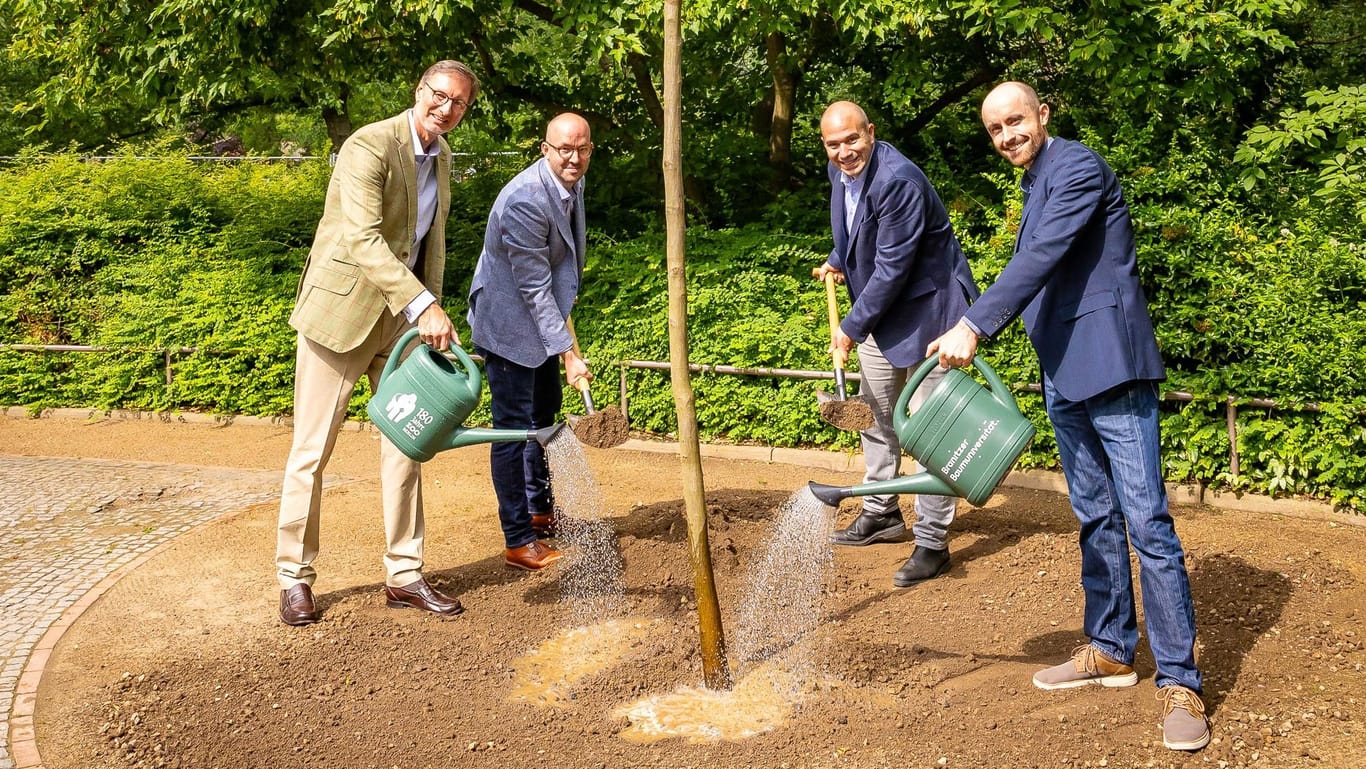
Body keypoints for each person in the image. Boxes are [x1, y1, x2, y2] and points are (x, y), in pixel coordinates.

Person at [926, 81, 1209, 751]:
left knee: (1146, 520)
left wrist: (974, 324)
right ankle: (1112, 646)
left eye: (1015, 121)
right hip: (1065, 370)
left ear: (1042, 115)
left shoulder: (1077, 166)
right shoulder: (1035, 183)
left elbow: (1041, 257)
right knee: (1094, 513)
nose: (1007, 136)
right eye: (995, 129)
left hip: (1110, 363)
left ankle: (1181, 681)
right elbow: (1037, 271)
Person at [275, 61, 480, 626]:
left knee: (408, 446)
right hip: (341, 313)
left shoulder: (442, 156)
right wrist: (425, 305)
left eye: (458, 103)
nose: (446, 108)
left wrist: (429, 313)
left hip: (403, 322)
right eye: (440, 95)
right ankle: (295, 577)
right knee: (311, 453)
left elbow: (427, 245)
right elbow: (363, 238)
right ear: (420, 91)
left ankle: (404, 573)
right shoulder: (368, 146)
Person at [815, 101, 980, 587]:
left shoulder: (898, 181)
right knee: (876, 416)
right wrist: (837, 258)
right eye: (833, 144)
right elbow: (853, 227)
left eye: (852, 140)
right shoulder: (840, 173)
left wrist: (849, 326)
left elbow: (893, 268)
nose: (844, 152)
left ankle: (932, 543)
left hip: (933, 313)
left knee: (932, 432)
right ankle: (881, 512)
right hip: (883, 314)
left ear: (871, 132)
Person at [468, 113, 594, 571]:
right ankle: (518, 539)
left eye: (581, 149)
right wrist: (569, 354)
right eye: (564, 149)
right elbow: (533, 287)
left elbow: (561, 265)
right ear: (545, 149)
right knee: (512, 428)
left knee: (544, 415)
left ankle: (540, 510)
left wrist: (562, 339)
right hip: (508, 326)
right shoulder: (524, 200)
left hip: (541, 321)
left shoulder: (571, 184)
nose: (573, 158)